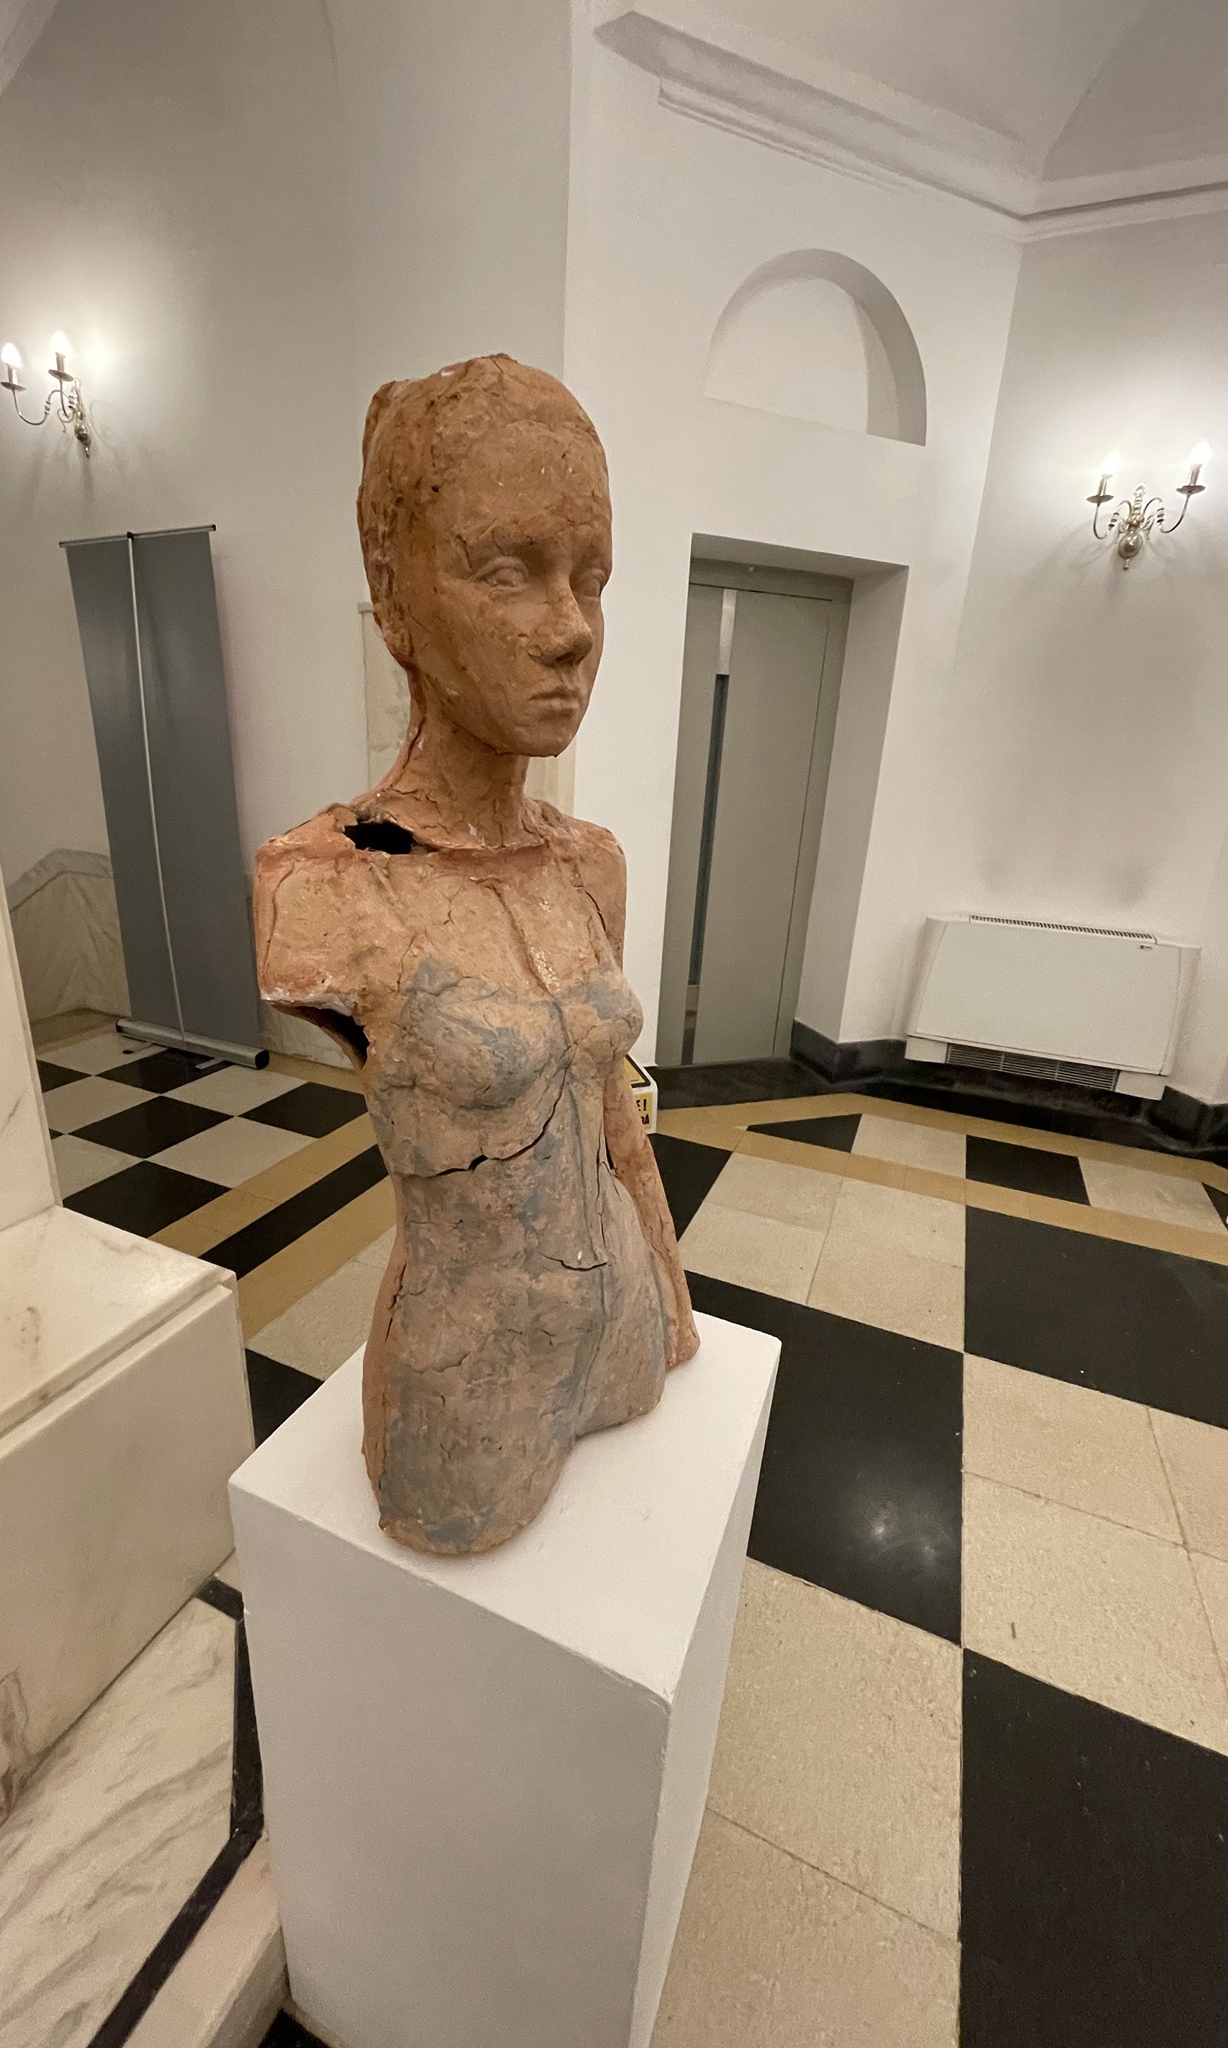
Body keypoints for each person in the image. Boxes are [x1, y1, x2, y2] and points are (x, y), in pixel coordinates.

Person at [255, 355, 698, 1554]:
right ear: (392, 593)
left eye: (591, 577)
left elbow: (613, 1114)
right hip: (469, 1390)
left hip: (623, 1331)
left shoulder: (590, 862)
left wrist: (674, 1301)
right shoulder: (323, 883)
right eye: (508, 571)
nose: (572, 631)